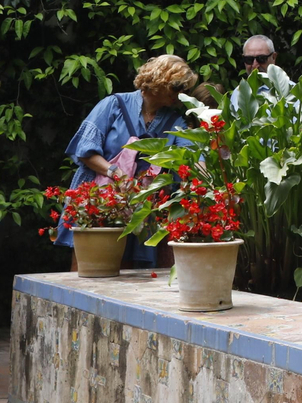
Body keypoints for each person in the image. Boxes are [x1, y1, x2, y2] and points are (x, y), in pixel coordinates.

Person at [55, 55, 199, 270]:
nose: (181, 95)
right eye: (177, 88)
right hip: (99, 200)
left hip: (140, 211)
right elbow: (84, 151)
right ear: (160, 83)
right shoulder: (114, 105)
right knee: (90, 270)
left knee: (130, 278)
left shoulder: (175, 121)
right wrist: (115, 172)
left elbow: (191, 160)